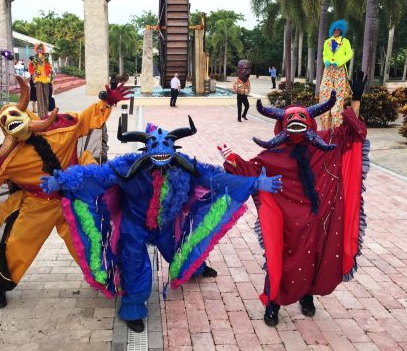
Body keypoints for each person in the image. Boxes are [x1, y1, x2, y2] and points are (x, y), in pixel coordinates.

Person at [41, 117, 283, 333]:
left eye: (165, 145)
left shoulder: (183, 164)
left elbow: (214, 177)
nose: (160, 151)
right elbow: (95, 175)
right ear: (146, 149)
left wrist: (253, 184)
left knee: (181, 246)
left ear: (173, 147)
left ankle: (195, 269)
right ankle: (133, 308)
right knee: (135, 265)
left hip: (167, 223)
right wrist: (60, 181)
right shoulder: (128, 165)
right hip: (133, 224)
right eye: (154, 147)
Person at [0, 76, 132, 309]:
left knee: (88, 241)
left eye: (14, 114)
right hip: (37, 205)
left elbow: (87, 118)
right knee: (16, 246)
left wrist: (107, 102)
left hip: (72, 199)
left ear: (26, 114)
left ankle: (110, 278)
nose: (11, 120)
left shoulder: (63, 127)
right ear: (4, 130)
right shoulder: (7, 161)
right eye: (5, 121)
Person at [218, 72, 369, 327]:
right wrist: (232, 159)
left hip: (317, 219)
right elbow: (250, 171)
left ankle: (306, 296)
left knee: (313, 258)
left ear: (310, 124)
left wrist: (355, 101)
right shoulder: (273, 155)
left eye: (301, 120)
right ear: (282, 126)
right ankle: (274, 303)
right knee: (280, 260)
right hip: (287, 223)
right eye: (291, 120)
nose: (296, 124)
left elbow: (353, 134)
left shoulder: (325, 143)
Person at [320, 19, 353, 129]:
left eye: (338, 30)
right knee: (324, 92)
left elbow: (349, 54)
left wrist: (338, 62)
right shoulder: (327, 42)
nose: (336, 31)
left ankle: (337, 126)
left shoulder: (346, 42)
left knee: (339, 96)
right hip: (328, 70)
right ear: (332, 30)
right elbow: (324, 53)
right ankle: (325, 125)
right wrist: (325, 60)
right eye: (335, 29)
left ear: (341, 31)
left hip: (339, 70)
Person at [28, 44, 52, 118]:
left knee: (46, 97)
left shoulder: (46, 57)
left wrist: (49, 73)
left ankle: (46, 114)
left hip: (46, 79)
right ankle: (41, 115)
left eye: (41, 49)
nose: (40, 50)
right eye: (38, 49)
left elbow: (49, 67)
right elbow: (31, 67)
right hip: (38, 80)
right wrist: (34, 73)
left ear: (43, 50)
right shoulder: (34, 58)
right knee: (39, 97)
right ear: (36, 50)